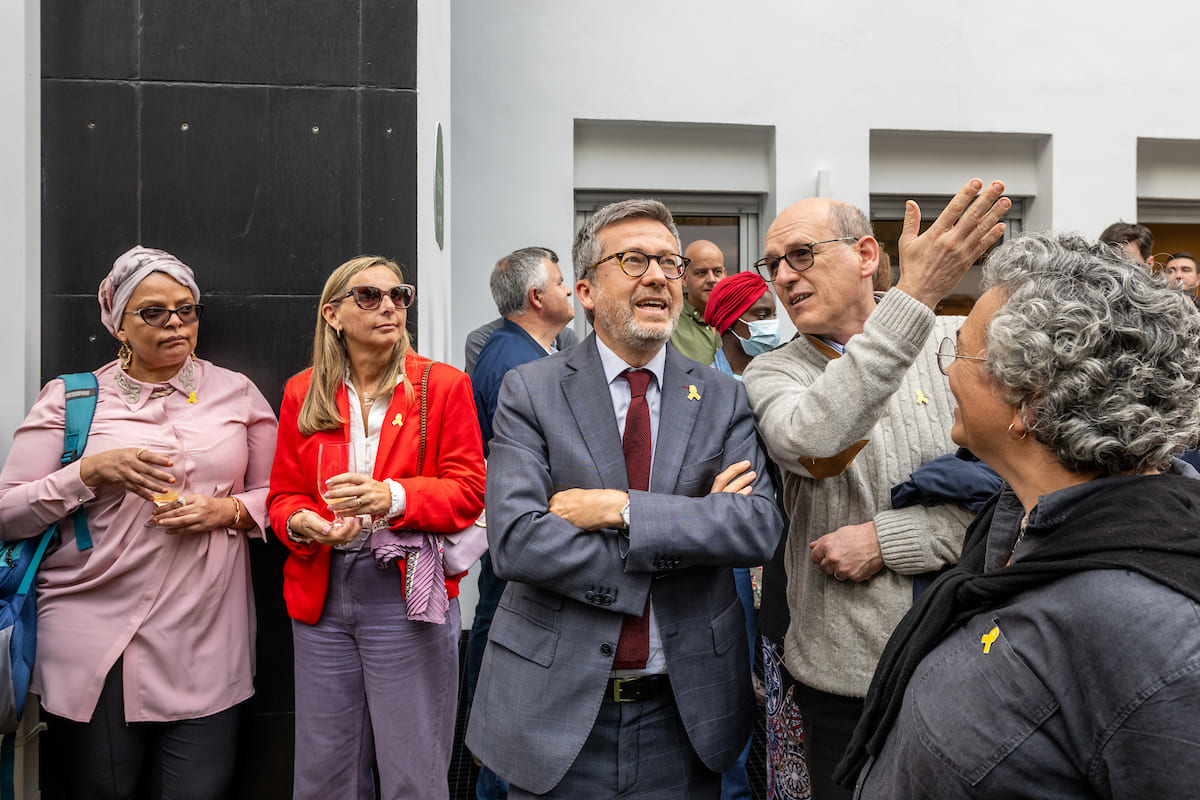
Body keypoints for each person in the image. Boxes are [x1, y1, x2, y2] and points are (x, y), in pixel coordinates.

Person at [839, 232, 1200, 798]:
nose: (947, 370)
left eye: (960, 350)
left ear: (1030, 399)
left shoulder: (1157, 634)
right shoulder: (1016, 518)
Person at [466, 198, 783, 798]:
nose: (660, 276)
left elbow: (755, 527)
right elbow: (516, 541)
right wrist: (688, 530)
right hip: (554, 712)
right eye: (635, 260)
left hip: (687, 715)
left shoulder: (722, 396)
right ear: (585, 291)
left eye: (670, 262)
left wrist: (623, 510)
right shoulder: (529, 391)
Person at [742, 179, 1011, 799]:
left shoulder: (957, 343)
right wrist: (913, 298)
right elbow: (816, 440)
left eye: (802, 254)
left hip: (965, 660)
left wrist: (897, 538)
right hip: (845, 681)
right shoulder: (772, 370)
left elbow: (1025, 497)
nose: (782, 277)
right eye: (773, 263)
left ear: (866, 255)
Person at [0, 245, 277, 799]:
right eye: (153, 312)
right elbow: (8, 514)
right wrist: (89, 472)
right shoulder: (74, 397)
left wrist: (226, 510)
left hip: (205, 635)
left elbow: (283, 495)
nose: (175, 323)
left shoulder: (236, 392)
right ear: (118, 325)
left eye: (187, 309)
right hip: (94, 639)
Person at [268, 255, 486, 800]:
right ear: (333, 315)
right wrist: (304, 522)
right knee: (324, 773)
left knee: (413, 769)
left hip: (405, 587)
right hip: (322, 588)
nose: (389, 305)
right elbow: (283, 494)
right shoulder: (303, 391)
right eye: (369, 296)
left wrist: (392, 496)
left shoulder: (442, 386)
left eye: (399, 295)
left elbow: (469, 492)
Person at [466, 246, 575, 800]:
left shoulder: (517, 349)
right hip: (527, 527)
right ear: (537, 298)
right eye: (561, 281)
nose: (570, 288)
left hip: (514, 523)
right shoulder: (521, 364)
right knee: (504, 639)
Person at [704, 269, 780, 378]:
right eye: (762, 316)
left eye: (774, 316)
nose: (772, 323)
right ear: (729, 321)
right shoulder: (707, 384)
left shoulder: (780, 378)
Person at [669, 239, 726, 364]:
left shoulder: (739, 319)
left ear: (725, 274)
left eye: (717, 272)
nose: (711, 279)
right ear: (684, 278)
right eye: (701, 273)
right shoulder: (669, 320)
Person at [464, 315, 578, 377]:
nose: (567, 291)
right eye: (558, 283)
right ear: (535, 296)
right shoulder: (481, 340)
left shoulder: (565, 337)